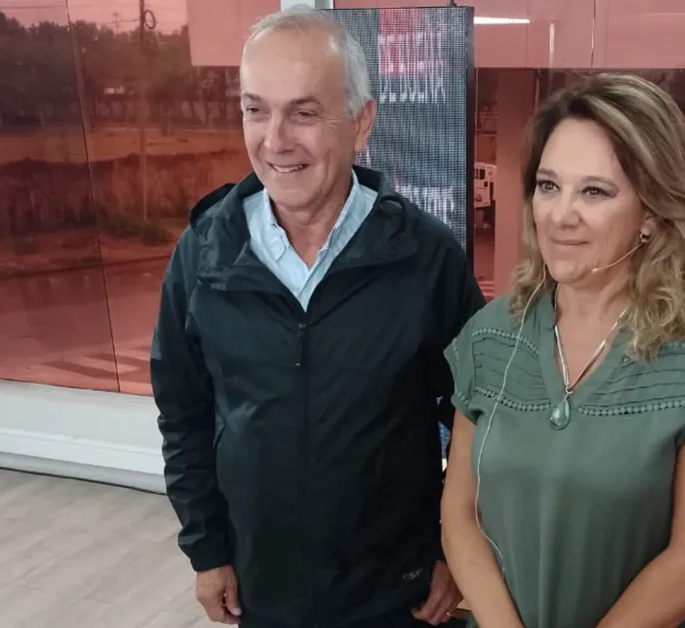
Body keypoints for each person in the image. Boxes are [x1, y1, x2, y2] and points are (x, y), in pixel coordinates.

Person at [151, 7, 483, 628]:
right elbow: (183, 412)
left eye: (304, 113)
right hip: (260, 590)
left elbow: (477, 420)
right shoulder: (204, 255)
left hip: (398, 597)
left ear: (362, 122)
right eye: (256, 110)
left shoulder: (426, 259)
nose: (275, 140)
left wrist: (452, 547)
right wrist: (206, 549)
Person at [440, 73, 685, 628]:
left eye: (594, 192)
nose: (560, 215)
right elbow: (460, 515)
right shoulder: (490, 334)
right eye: (548, 186)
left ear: (651, 212)